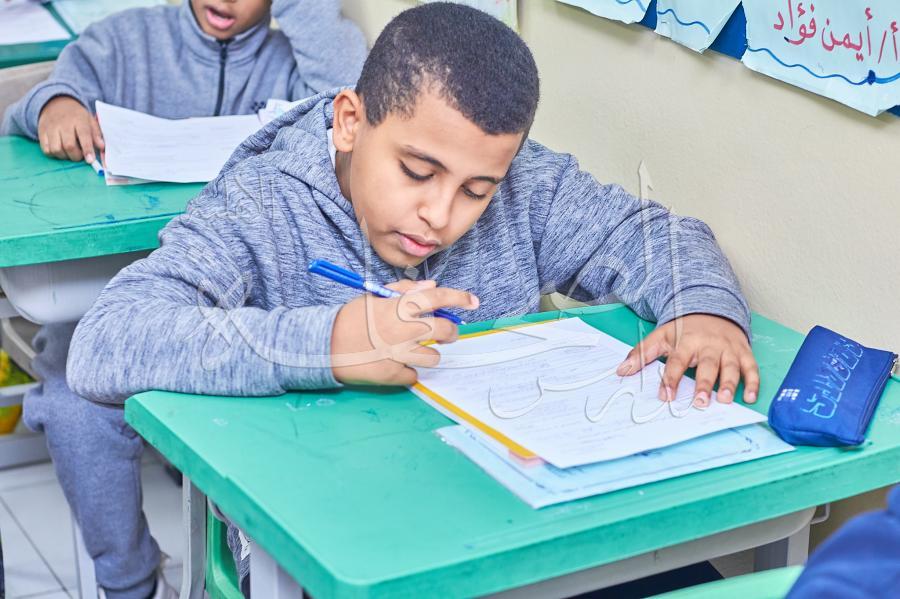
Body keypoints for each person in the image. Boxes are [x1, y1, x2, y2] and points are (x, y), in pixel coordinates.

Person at [67, 2, 759, 593]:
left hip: (502, 514)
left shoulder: (524, 185)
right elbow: (107, 339)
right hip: (324, 538)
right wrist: (332, 343)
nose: (440, 214)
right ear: (349, 121)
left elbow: (654, 236)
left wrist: (702, 308)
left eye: (475, 191)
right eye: (417, 172)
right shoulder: (261, 202)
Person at [2, 2, 366, 598]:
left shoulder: (291, 61)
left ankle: (232, 559)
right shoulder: (124, 40)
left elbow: (357, 101)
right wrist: (55, 106)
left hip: (243, 305)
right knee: (72, 404)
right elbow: (46, 98)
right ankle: (129, 580)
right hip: (114, 298)